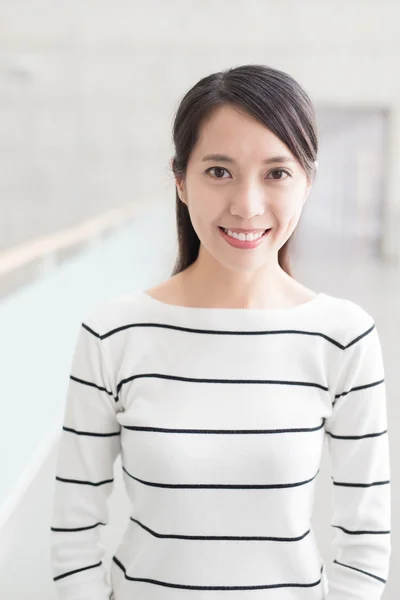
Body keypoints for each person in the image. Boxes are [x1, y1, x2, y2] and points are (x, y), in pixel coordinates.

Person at [50, 64, 391, 599]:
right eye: (219, 171)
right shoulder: (113, 334)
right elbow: (74, 530)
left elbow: (366, 535)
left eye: (276, 173)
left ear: (308, 181)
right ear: (180, 181)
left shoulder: (343, 336)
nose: (247, 205)